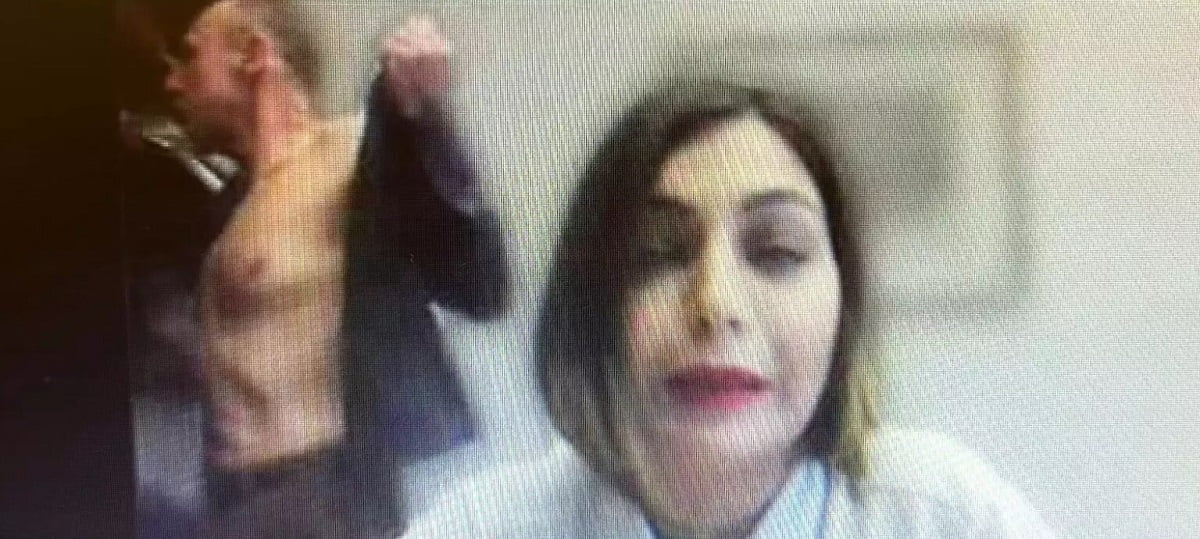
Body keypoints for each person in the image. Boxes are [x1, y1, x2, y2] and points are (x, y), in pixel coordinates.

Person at [407, 81, 1052, 538]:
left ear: (841, 309)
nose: (716, 304)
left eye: (777, 252)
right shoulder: (481, 526)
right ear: (591, 308)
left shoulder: (952, 515)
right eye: (657, 254)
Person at [154, 1, 508, 537]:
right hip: (235, 500)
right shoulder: (230, 210)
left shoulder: (349, 156)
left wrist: (425, 120)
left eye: (190, 57)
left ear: (252, 55)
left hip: (321, 498)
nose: (172, 82)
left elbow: (481, 287)